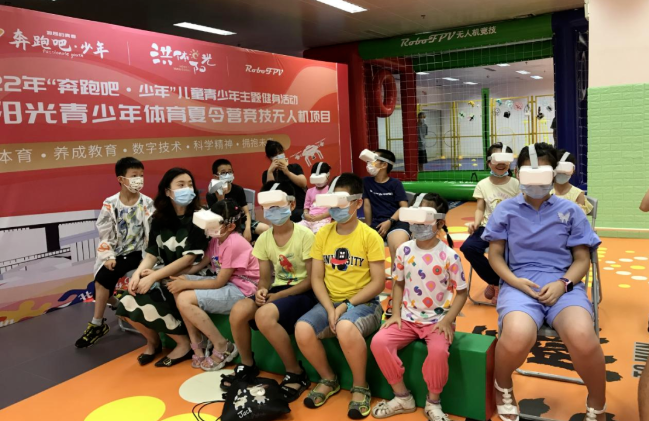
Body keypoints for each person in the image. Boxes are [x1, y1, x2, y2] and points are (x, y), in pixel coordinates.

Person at [483, 143, 606, 421]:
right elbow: (495, 255)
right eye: (529, 173)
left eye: (543, 173)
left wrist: (563, 284)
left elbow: (581, 260)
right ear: (518, 174)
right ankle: (503, 386)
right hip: (519, 284)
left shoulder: (571, 211)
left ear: (553, 174)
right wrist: (515, 282)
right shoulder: (505, 210)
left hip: (564, 285)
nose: (537, 181)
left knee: (583, 337)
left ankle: (597, 402)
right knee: (516, 335)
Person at [295, 173, 385, 419]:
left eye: (341, 202)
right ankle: (328, 379)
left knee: (345, 327)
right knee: (302, 329)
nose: (336, 208)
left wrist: (345, 305)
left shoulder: (370, 236)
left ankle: (360, 386)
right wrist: (329, 307)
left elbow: (378, 283)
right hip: (330, 302)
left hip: (364, 304)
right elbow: (316, 278)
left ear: (358, 202)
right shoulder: (323, 234)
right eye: (332, 202)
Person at [371, 193, 467, 421]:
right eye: (415, 217)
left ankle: (433, 402)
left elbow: (462, 292)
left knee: (438, 352)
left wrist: (447, 320)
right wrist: (395, 314)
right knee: (379, 342)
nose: (418, 224)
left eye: (425, 218)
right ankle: (402, 397)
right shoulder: (404, 250)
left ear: (439, 223)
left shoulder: (449, 256)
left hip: (437, 321)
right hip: (407, 318)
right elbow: (398, 283)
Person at [221, 181, 317, 403]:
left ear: (291, 205)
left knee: (264, 316)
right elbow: (265, 278)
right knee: (239, 310)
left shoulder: (305, 235)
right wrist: (262, 291)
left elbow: (311, 281)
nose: (272, 211)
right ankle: (248, 365)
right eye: (268, 207)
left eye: (277, 206)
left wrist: (277, 296)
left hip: (304, 292)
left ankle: (296, 372)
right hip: (278, 289)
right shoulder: (264, 239)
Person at [116, 168, 209, 367]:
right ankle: (153, 342)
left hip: (193, 275)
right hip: (165, 273)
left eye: (190, 185)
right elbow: (152, 253)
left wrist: (154, 276)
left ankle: (183, 344)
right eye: (181, 185)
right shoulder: (158, 219)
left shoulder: (200, 217)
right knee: (126, 300)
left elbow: (189, 259)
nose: (187, 189)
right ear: (167, 191)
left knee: (156, 292)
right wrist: (138, 274)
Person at [171, 199, 259, 371]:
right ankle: (197, 343)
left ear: (231, 226)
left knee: (184, 299)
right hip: (228, 283)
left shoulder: (234, 243)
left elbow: (219, 282)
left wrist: (187, 284)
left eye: (213, 224)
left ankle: (223, 345)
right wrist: (173, 275)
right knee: (178, 283)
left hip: (242, 290)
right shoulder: (216, 239)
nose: (209, 227)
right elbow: (200, 265)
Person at [75, 157, 154, 348]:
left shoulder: (147, 203)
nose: (139, 180)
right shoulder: (110, 204)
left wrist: (150, 257)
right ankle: (111, 313)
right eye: (134, 176)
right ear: (121, 179)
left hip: (139, 253)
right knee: (100, 283)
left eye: (141, 175)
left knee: (103, 282)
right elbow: (105, 233)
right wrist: (108, 256)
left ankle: (100, 321)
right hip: (116, 253)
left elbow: (152, 233)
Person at [460, 143, 519, 304]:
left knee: (512, 251)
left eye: (505, 159)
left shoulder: (516, 184)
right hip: (487, 227)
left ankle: (506, 284)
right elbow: (480, 208)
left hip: (510, 229)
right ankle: (496, 282)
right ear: (488, 162)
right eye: (496, 159)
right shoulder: (483, 184)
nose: (501, 163)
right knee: (468, 248)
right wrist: (475, 223)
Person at [363, 149, 410, 268]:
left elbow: (404, 207)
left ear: (384, 165)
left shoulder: (395, 183)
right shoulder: (366, 182)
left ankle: (397, 278)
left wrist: (390, 221)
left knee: (398, 248)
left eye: (373, 161)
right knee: (362, 247)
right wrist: (368, 228)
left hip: (396, 222)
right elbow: (367, 206)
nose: (369, 164)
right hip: (376, 224)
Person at [206, 158, 268, 242]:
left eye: (230, 172)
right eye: (223, 173)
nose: (227, 175)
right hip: (223, 225)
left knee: (265, 228)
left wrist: (247, 229)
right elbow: (218, 219)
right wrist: (221, 200)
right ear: (215, 176)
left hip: (241, 222)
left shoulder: (238, 190)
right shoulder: (211, 195)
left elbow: (246, 212)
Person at [261, 140, 307, 222]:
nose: (278, 156)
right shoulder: (267, 174)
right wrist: (270, 172)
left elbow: (303, 183)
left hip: (300, 207)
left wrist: (288, 172)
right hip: (280, 211)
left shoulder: (295, 167)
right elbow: (270, 194)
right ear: (269, 158)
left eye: (280, 153)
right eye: (274, 155)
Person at [551, 150, 592, 214]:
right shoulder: (545, 192)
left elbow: (579, 217)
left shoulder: (578, 194)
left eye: (565, 169)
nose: (561, 173)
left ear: (573, 170)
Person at [299, 161, 332, 233]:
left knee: (318, 233)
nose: (318, 182)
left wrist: (320, 217)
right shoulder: (309, 191)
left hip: (323, 220)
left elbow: (333, 210)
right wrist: (306, 215)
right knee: (297, 230)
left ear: (328, 176)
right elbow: (306, 208)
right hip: (309, 220)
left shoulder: (331, 190)